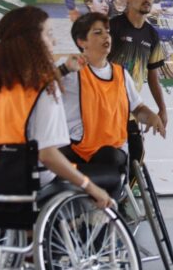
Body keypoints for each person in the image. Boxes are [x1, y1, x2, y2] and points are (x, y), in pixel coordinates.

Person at [0, 6, 112, 208]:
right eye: (49, 35)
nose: (55, 42)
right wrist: (91, 187)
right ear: (33, 42)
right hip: (29, 183)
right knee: (102, 182)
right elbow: (48, 156)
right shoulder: (44, 90)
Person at [59, 12, 164, 168]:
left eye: (107, 32)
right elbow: (37, 87)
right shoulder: (70, 70)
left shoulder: (121, 74)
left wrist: (150, 116)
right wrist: (64, 69)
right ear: (82, 42)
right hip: (76, 150)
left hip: (113, 153)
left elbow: (138, 108)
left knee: (109, 155)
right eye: (97, 32)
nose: (106, 36)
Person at [108, 0, 169, 163]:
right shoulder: (112, 27)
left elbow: (153, 76)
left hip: (133, 108)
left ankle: (125, 194)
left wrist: (162, 108)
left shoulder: (152, 35)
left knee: (136, 158)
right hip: (106, 108)